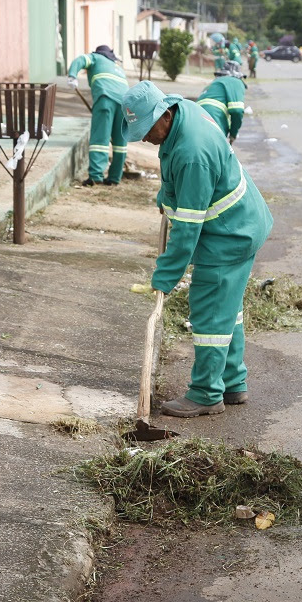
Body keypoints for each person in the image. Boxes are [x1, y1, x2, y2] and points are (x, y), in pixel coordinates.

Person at [121, 81, 273, 418]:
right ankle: (232, 382)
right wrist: (166, 198)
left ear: (164, 115)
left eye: (146, 130)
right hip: (243, 222)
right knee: (227, 310)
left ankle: (206, 393)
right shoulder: (185, 112)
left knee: (210, 313)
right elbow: (174, 175)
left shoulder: (193, 154)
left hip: (230, 235)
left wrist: (165, 276)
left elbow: (187, 229)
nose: (144, 139)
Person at [67, 45, 129, 186]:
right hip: (125, 104)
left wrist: (72, 75)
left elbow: (80, 60)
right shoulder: (118, 67)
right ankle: (114, 178)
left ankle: (95, 176)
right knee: (120, 143)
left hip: (105, 99)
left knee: (100, 138)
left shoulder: (96, 57)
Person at [197, 60, 247, 144]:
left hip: (193, 115)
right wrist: (233, 134)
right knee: (214, 149)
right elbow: (237, 110)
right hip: (214, 116)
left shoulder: (215, 83)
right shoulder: (236, 81)